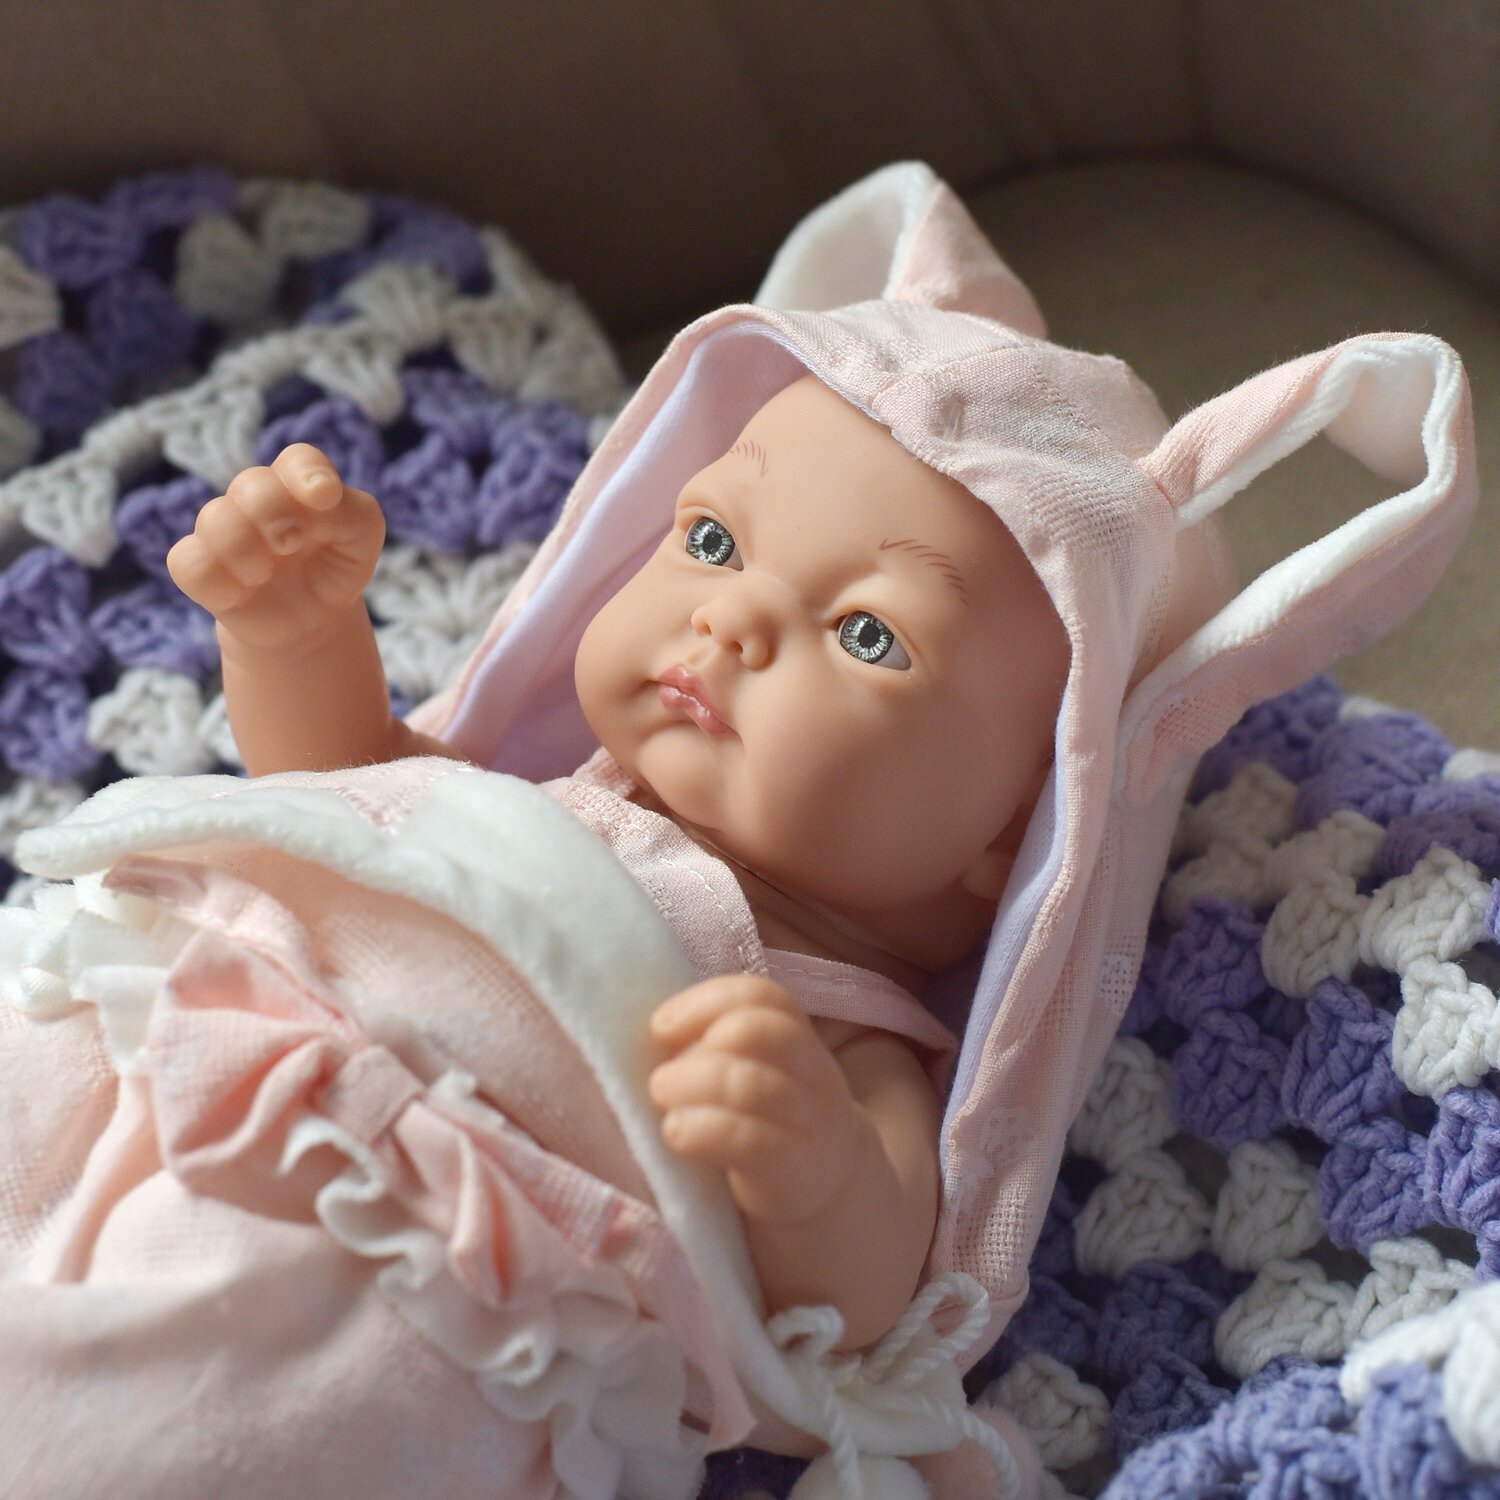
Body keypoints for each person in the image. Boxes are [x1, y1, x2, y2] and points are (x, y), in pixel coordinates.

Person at [164, 368, 1071, 1359]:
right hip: (197, 1096)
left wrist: (815, 1167)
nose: (732, 618)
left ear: (1010, 834)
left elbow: (862, 1299)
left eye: (868, 634)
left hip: (422, 1315)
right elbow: (341, 794)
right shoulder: (533, 810)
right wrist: (294, 639)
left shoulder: (838, 1040)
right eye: (715, 542)